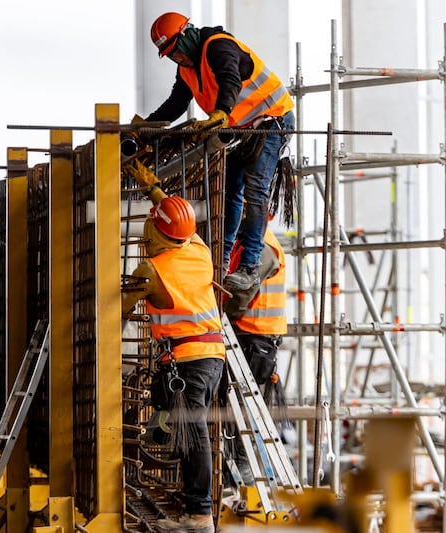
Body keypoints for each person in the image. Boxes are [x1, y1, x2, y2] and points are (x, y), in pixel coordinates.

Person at [144, 12, 296, 296]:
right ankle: (222, 262)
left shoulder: (218, 46)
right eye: (170, 55)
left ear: (187, 34)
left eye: (176, 49)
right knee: (230, 190)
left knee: (256, 190)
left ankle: (249, 266)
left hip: (271, 120)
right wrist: (146, 127)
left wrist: (221, 113)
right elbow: (176, 103)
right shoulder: (186, 68)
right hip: (241, 127)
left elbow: (229, 79)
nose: (177, 57)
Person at [122, 161, 225, 533]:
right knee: (175, 430)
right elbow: (173, 216)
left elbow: (113, 312)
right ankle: (191, 509)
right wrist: (152, 187)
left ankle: (200, 514)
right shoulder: (196, 247)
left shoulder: (152, 270)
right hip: (208, 360)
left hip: (190, 363)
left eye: (151, 221)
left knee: (193, 433)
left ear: (157, 230)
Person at [223, 224, 289, 487]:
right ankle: (239, 468)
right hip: (250, 335)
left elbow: (242, 293)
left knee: (245, 406)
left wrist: (221, 316)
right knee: (238, 404)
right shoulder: (250, 242)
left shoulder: (262, 247)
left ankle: (244, 469)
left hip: (255, 338)